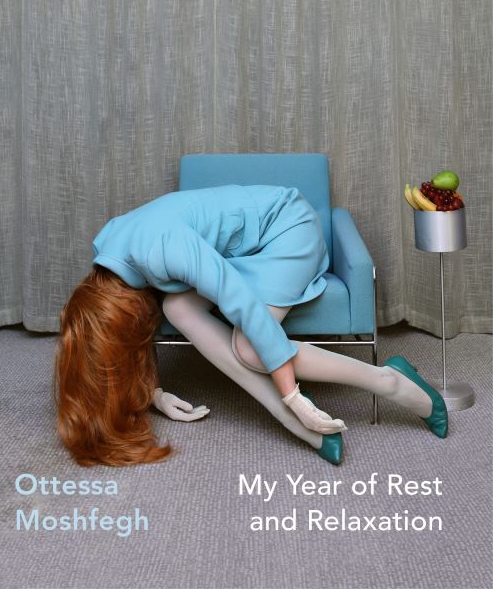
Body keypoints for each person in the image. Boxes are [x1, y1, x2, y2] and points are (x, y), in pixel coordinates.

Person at [54, 184, 448, 467]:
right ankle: (291, 420)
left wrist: (292, 394)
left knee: (248, 348)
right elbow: (125, 336)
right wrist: (152, 392)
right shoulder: (108, 259)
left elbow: (239, 303)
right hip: (241, 252)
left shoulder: (163, 249)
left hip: (288, 230)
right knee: (176, 307)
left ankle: (391, 381)